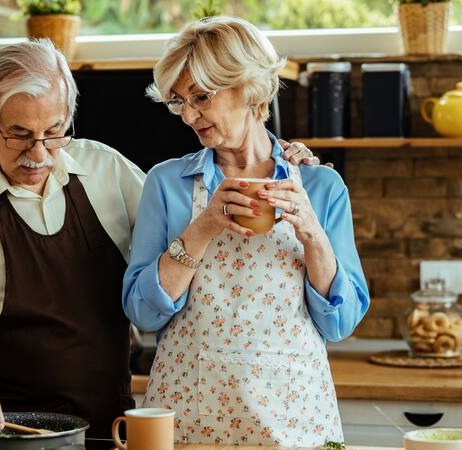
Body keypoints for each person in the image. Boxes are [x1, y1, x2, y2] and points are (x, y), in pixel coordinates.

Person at [0, 38, 320, 442]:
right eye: (19, 134)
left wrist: (279, 161)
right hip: (5, 438)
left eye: (54, 132)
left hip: (111, 432)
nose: (39, 153)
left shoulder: (107, 172)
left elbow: (196, 230)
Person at [122, 17, 370, 447]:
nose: (189, 116)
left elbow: (341, 322)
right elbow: (142, 313)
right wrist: (202, 228)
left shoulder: (319, 186)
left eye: (201, 97)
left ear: (251, 88)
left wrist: (313, 234)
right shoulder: (167, 183)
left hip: (292, 418)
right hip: (191, 418)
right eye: (179, 101)